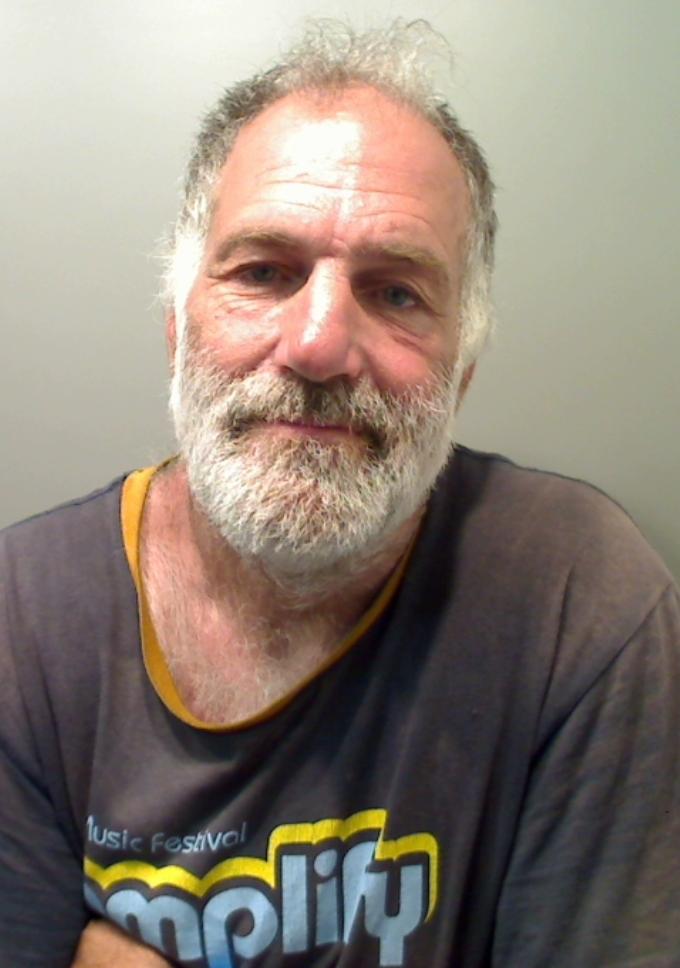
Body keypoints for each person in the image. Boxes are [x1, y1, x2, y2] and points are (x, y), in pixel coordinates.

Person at [1, 19, 678, 968]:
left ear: (463, 367)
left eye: (396, 292)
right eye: (264, 272)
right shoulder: (21, 621)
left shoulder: (582, 597)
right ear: (178, 326)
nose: (319, 345)